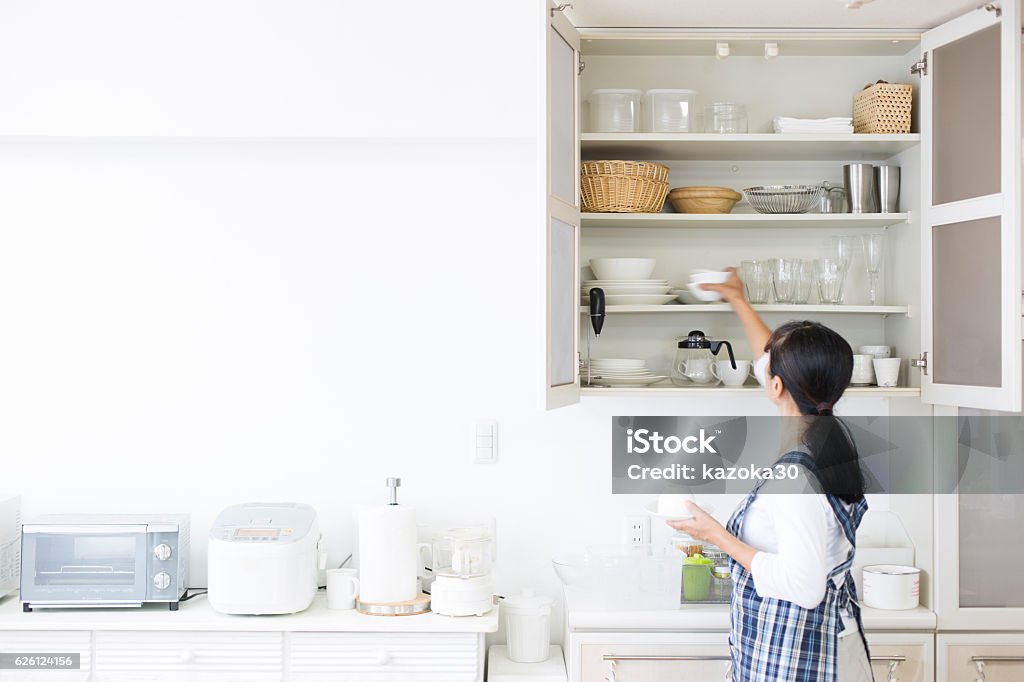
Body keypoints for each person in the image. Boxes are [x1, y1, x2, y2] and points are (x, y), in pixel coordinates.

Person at [670, 267, 874, 682]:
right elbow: (772, 361)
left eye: (770, 370)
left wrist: (716, 537)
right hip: (824, 647)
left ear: (778, 386)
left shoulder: (794, 479)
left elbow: (804, 586)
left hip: (801, 660)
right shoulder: (830, 444)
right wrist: (737, 299)